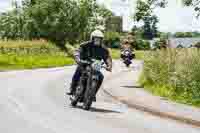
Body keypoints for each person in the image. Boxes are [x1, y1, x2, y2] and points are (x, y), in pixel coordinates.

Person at [66, 29, 112, 99]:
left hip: (95, 67)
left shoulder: (103, 49)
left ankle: (93, 94)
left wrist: (109, 66)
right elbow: (78, 51)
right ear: (92, 38)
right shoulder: (85, 45)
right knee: (78, 71)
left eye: (99, 39)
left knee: (101, 77)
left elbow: (107, 58)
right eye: (96, 38)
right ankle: (72, 89)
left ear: (101, 40)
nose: (97, 40)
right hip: (84, 64)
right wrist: (77, 58)